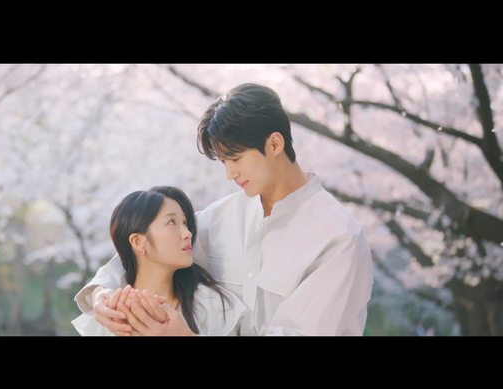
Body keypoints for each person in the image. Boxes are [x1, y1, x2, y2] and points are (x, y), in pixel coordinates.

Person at [75, 83, 374, 335]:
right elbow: (146, 251)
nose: (229, 174)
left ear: (274, 144)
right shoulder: (219, 219)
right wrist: (102, 295)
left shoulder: (338, 239)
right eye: (223, 162)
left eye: (236, 158)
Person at [72, 186, 246, 336]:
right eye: (172, 222)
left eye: (185, 223)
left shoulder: (211, 306)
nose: (187, 233)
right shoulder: (111, 317)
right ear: (138, 241)